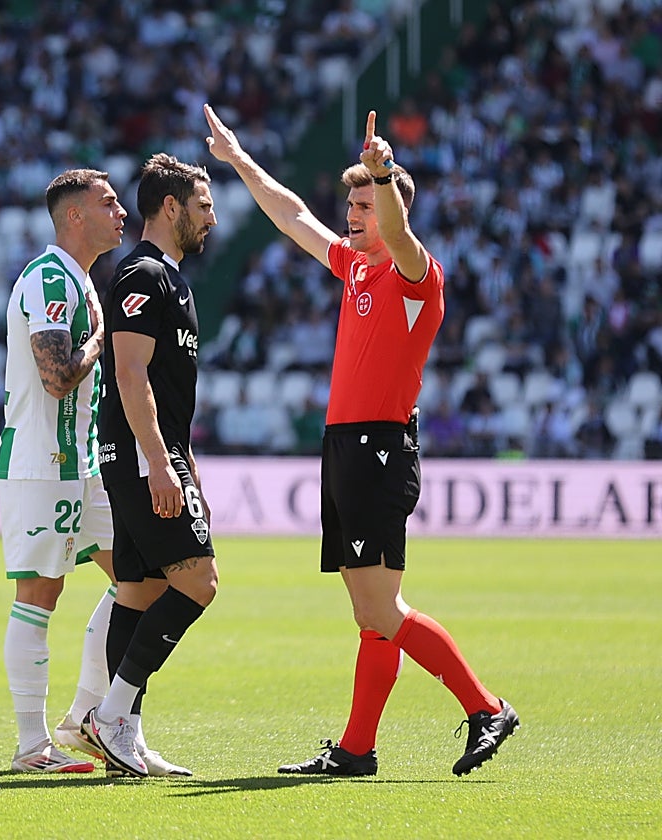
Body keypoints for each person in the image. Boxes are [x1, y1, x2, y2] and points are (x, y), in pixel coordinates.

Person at [204, 104, 519, 777]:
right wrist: (238, 159)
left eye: (365, 203)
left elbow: (402, 233)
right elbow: (291, 215)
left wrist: (385, 173)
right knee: (370, 614)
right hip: (347, 445)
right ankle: (355, 749)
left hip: (378, 448)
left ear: (391, 206)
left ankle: (486, 706)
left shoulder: (414, 275)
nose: (353, 214)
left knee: (381, 606)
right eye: (350, 202)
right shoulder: (354, 267)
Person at [0, 168, 192, 777]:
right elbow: (56, 375)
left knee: (139, 579)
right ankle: (32, 745)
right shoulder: (48, 277)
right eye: (108, 203)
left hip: (85, 463)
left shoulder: (84, 279)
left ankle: (89, 716)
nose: (120, 213)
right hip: (41, 462)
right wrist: (103, 337)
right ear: (74, 215)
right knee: (40, 594)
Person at [79, 153, 219, 778]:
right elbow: (130, 375)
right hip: (140, 455)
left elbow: (168, 387)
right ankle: (109, 716)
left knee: (140, 590)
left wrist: (186, 465)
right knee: (198, 584)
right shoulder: (142, 274)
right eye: (203, 203)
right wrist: (163, 466)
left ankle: (122, 735)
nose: (211, 216)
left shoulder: (171, 278)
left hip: (152, 453)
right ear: (171, 208)